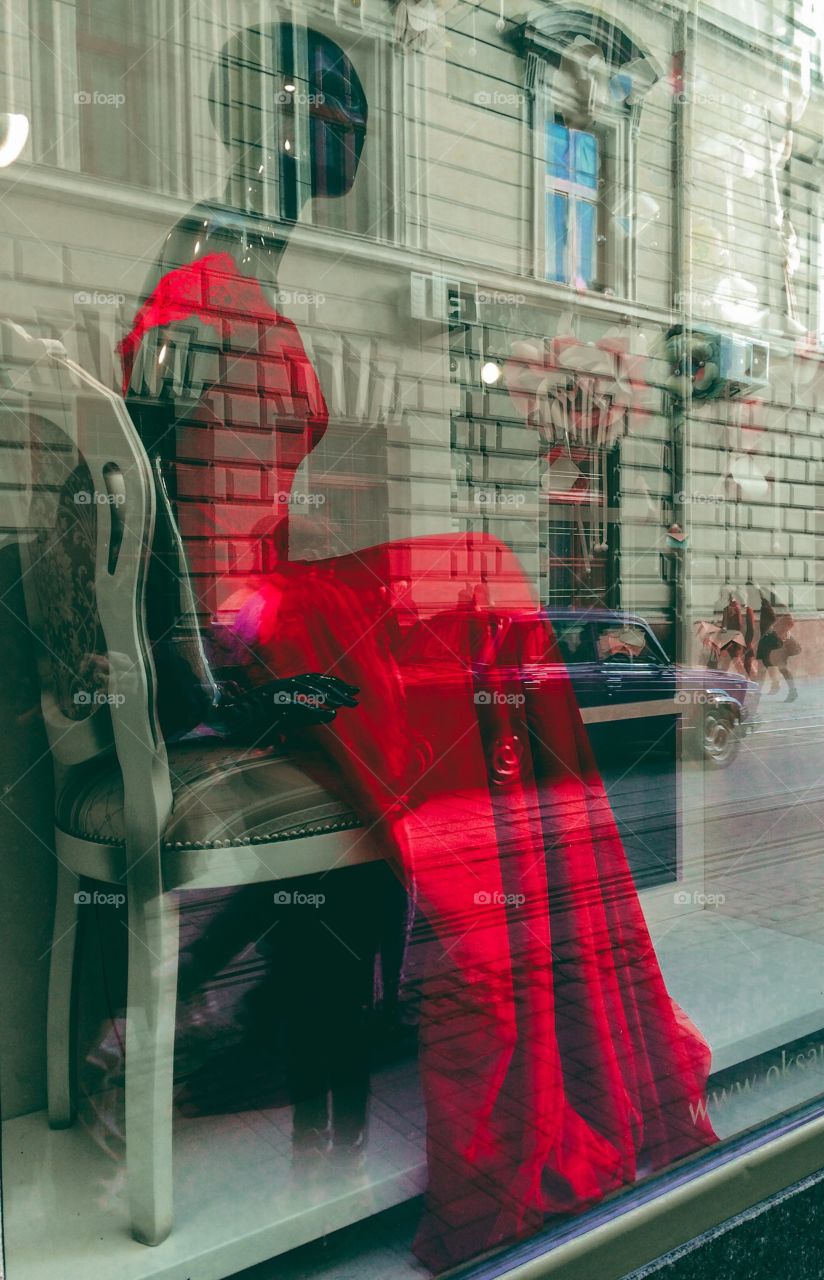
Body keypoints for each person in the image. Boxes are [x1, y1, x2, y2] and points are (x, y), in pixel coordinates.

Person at [119, 21, 717, 1271]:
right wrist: (217, 653)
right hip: (245, 614)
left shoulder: (234, 251)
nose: (355, 135)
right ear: (281, 116)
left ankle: (541, 988)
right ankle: (540, 993)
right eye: (336, 110)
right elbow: (177, 496)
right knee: (486, 584)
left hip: (256, 596)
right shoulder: (211, 257)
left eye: (355, 112)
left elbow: (204, 474)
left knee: (484, 587)